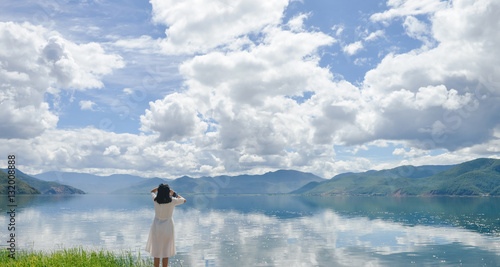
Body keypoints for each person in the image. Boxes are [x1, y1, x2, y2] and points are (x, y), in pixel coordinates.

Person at [146, 183, 186, 267]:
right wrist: (174, 193)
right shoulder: (173, 200)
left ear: (159, 192)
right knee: (166, 252)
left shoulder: (155, 199)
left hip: (156, 227)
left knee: (156, 252)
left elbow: (152, 191)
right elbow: (184, 200)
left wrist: (159, 188)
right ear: (168, 192)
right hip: (168, 228)